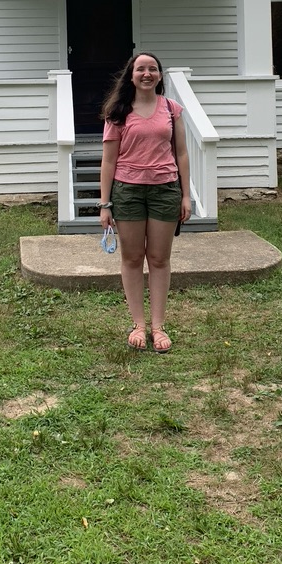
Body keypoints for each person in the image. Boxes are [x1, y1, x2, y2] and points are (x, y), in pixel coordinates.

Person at [98, 52, 191, 353]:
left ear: (160, 75)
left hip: (165, 191)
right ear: (131, 75)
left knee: (160, 259)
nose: (147, 74)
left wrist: (185, 195)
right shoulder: (118, 112)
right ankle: (138, 324)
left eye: (152, 69)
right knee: (132, 258)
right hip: (128, 193)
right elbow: (108, 161)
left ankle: (158, 326)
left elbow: (182, 154)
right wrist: (104, 204)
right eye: (141, 69)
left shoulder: (172, 109)